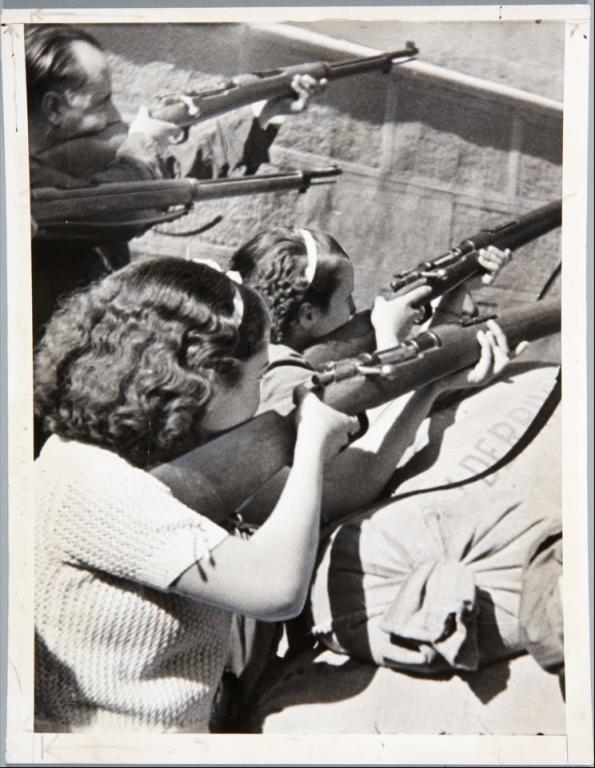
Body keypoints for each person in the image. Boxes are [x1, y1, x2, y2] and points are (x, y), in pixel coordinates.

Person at [33, 257, 359, 733]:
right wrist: (310, 445)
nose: (265, 391)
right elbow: (276, 589)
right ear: (206, 379)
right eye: (258, 375)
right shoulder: (95, 486)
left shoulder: (81, 455)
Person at [26, 24, 325, 342]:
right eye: (102, 103)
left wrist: (262, 116)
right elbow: (111, 204)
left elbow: (165, 175)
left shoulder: (72, 165)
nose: (115, 114)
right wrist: (143, 142)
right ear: (54, 108)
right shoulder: (21, 181)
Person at [229, 226, 515, 524]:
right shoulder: (282, 376)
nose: (355, 310)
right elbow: (337, 491)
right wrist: (389, 336)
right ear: (309, 316)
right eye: (347, 299)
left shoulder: (254, 358)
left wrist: (457, 290)